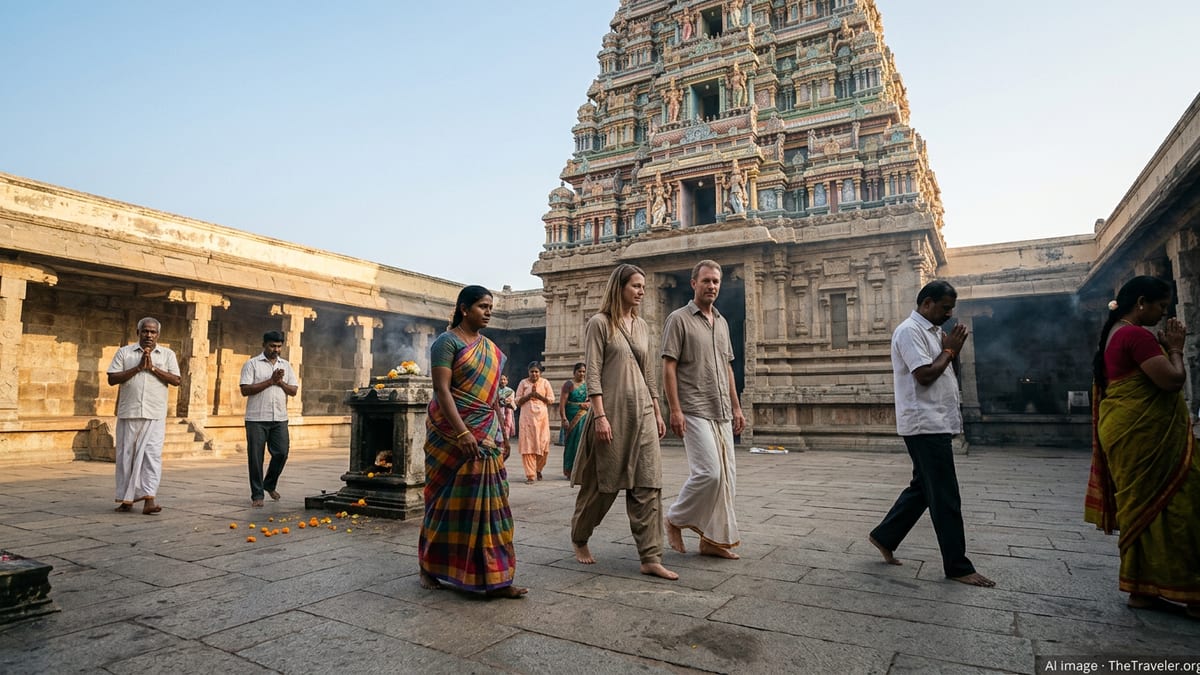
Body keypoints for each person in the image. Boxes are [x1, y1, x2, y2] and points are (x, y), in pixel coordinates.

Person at [868, 280, 995, 587]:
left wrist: (949, 347)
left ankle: (885, 536)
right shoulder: (910, 332)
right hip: (925, 424)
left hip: (936, 420)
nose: (949, 314)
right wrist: (950, 350)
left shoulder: (935, 333)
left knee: (924, 488)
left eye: (951, 308)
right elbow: (924, 375)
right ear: (926, 304)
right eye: (944, 307)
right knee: (945, 495)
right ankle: (957, 565)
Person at [1086, 276, 1197, 617]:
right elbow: (1171, 380)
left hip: (1127, 432)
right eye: (1161, 306)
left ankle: (1141, 587)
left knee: (1142, 508)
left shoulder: (1115, 334)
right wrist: (1176, 349)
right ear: (1141, 303)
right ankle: (1191, 590)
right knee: (1182, 505)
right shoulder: (1135, 334)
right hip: (1145, 436)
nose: (1164, 314)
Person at [418, 285, 526, 599]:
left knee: (494, 506)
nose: (488, 311)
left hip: (487, 434)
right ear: (464, 309)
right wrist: (463, 432)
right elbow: (442, 391)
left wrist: (504, 435)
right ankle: (429, 565)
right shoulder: (446, 343)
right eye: (482, 306)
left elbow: (491, 398)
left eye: (490, 306)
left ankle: (497, 576)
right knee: (444, 503)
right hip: (450, 433)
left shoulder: (490, 350)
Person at [571, 264, 678, 580]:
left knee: (649, 483)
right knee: (603, 485)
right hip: (612, 413)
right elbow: (592, 372)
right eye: (635, 286)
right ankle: (580, 536)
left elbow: (648, 372)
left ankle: (650, 556)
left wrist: (658, 411)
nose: (641, 291)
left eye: (644, 286)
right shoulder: (600, 324)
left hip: (642, 412)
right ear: (619, 288)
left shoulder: (643, 326)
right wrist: (599, 416)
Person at [663, 260, 745, 560]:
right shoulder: (678, 319)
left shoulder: (721, 322)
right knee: (709, 473)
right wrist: (674, 409)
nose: (712, 286)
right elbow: (668, 366)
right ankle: (675, 517)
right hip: (694, 407)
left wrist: (737, 407)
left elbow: (727, 367)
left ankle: (713, 541)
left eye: (716, 282)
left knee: (727, 479)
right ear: (693, 283)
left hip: (722, 407)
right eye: (706, 281)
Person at [106, 317, 180, 515]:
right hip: (129, 412)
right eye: (145, 331)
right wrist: (138, 368)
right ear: (138, 332)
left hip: (155, 413)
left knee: (151, 456)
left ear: (158, 334)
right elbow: (112, 378)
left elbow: (176, 380)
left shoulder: (167, 354)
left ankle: (149, 499)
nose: (149, 335)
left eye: (153, 332)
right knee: (125, 456)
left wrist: (153, 369)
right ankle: (126, 499)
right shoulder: (124, 352)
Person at [239, 330, 298, 507]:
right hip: (256, 418)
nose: (276, 349)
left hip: (279, 417)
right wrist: (270, 381)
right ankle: (257, 494)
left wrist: (280, 382)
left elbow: (294, 390)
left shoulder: (286, 366)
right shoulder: (252, 364)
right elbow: (245, 390)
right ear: (264, 345)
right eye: (272, 346)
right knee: (256, 458)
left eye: (279, 346)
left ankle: (269, 484)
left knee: (282, 453)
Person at [515, 361, 555, 484]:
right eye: (532, 371)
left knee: (544, 446)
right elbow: (516, 400)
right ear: (528, 372)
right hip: (527, 419)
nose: (534, 374)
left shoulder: (545, 383)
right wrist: (528, 396)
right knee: (528, 447)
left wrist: (538, 396)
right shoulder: (523, 383)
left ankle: (538, 469)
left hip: (541, 419)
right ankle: (530, 475)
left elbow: (551, 399)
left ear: (540, 372)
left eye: (536, 371)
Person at [559, 362, 589, 478]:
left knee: (582, 442)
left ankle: (581, 471)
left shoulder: (587, 385)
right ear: (574, 372)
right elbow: (562, 403)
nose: (581, 374)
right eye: (579, 371)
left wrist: (588, 405)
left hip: (584, 415)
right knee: (571, 443)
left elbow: (592, 399)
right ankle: (570, 470)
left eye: (583, 372)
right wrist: (564, 418)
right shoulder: (568, 384)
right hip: (571, 415)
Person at [497, 374, 517, 440]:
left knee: (507, 425)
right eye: (501, 379)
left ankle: (506, 440)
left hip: (508, 411)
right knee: (498, 427)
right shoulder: (495, 390)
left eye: (504, 379)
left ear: (507, 381)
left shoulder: (510, 391)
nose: (502, 381)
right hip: (498, 411)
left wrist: (507, 402)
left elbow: (512, 402)